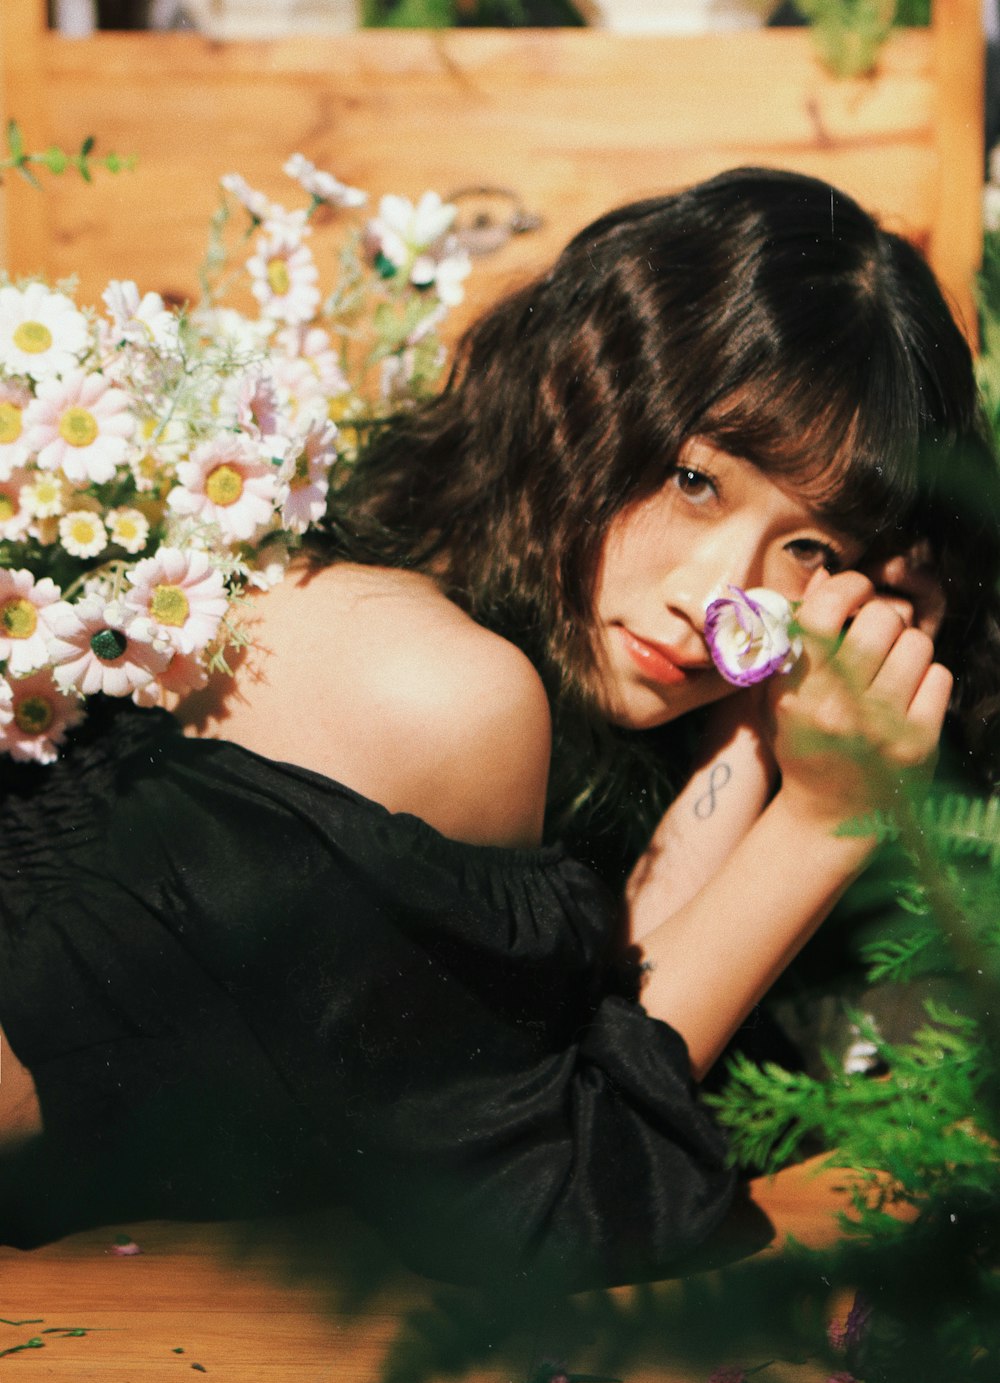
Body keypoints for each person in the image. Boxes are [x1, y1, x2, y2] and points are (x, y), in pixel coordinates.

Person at [0, 167, 998, 1289]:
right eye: (695, 480)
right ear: (582, 389)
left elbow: (578, 1028)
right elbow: (553, 1203)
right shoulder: (441, 686)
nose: (715, 594)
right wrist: (830, 818)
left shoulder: (421, 575)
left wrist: (764, 731)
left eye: (810, 549)